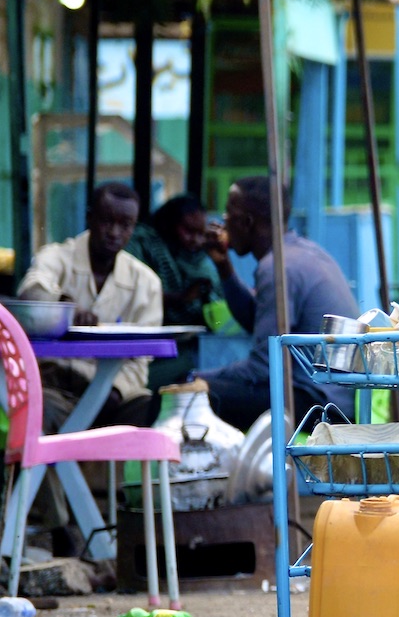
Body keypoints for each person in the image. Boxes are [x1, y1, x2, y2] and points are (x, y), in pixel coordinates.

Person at [195, 176, 359, 431]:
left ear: (247, 222)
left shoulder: (278, 268)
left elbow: (263, 368)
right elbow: (255, 321)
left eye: (229, 213)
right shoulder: (302, 252)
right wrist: (224, 267)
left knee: (194, 397)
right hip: (333, 400)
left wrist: (198, 379)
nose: (224, 220)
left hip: (317, 406)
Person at [15, 182, 163, 430]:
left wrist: (112, 390)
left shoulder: (146, 283)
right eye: (107, 221)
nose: (115, 232)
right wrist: (65, 308)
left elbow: (139, 364)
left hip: (111, 392)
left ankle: (93, 466)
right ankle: (55, 467)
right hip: (54, 381)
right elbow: (31, 291)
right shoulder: (57, 256)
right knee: (44, 409)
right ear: (89, 218)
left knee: (148, 407)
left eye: (125, 225)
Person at [123, 193, 224, 388]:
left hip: (191, 342)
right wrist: (182, 298)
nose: (195, 240)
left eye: (200, 233)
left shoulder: (199, 257)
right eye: (188, 231)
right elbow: (134, 294)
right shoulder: (144, 243)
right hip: (146, 345)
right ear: (168, 225)